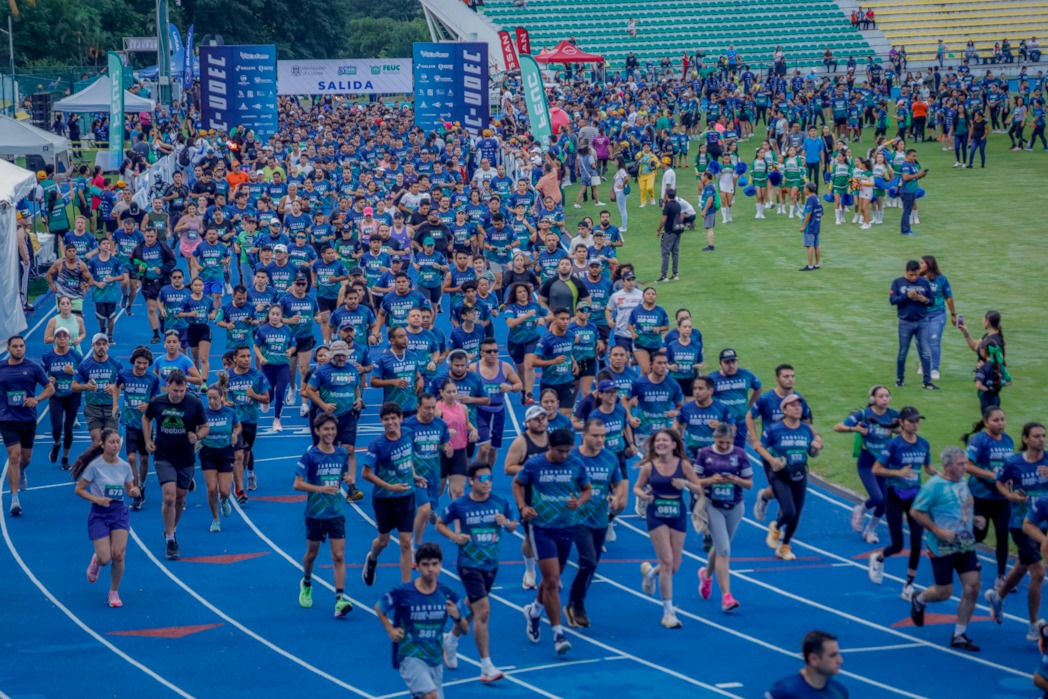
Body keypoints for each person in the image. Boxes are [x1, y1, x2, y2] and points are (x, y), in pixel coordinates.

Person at [514, 427, 592, 654]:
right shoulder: (535, 464)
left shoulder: (576, 464)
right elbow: (517, 483)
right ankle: (558, 634)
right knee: (552, 580)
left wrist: (579, 502)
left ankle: (534, 612)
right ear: (550, 447)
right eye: (560, 451)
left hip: (567, 526)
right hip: (541, 527)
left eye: (568, 451)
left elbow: (587, 490)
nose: (564, 455)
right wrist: (523, 506)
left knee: (552, 579)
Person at [437, 462, 516, 682]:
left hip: (491, 564)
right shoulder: (460, 504)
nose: (488, 482)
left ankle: (451, 640)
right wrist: (454, 536)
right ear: (471, 481)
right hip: (469, 564)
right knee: (483, 612)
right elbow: (440, 524)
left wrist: (506, 523)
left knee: (472, 607)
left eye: (490, 478)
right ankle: (486, 666)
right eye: (483, 479)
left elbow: (513, 525)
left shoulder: (500, 502)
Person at [908, 446, 982, 652]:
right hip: (942, 546)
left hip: (964, 542)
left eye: (965, 463)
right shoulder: (934, 486)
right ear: (947, 466)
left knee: (973, 586)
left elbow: (962, 507)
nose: (965, 467)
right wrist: (937, 530)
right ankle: (919, 599)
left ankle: (959, 634)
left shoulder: (963, 482)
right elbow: (916, 511)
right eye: (960, 464)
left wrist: (975, 518)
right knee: (944, 593)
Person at [376, 542, 469, 699]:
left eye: (434, 564)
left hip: (435, 658)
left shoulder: (447, 593)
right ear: (417, 566)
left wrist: (457, 617)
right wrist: (390, 630)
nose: (430, 569)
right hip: (410, 655)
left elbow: (465, 629)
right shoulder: (404, 592)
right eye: (425, 564)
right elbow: (380, 607)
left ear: (440, 565)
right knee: (430, 695)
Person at [984, 422, 1048, 641]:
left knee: (1022, 565)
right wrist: (1010, 496)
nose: (1042, 439)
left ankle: (998, 596)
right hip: (1022, 524)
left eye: (1043, 435)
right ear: (1025, 439)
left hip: (1044, 522)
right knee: (1038, 572)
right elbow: (999, 482)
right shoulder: (1013, 462)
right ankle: (1033, 625)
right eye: (1037, 436)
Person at [635, 429, 705, 628]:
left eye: (665, 440)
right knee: (666, 561)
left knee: (673, 566)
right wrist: (643, 495)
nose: (661, 443)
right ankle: (668, 612)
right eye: (658, 441)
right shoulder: (649, 467)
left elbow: (699, 489)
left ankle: (650, 573)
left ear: (674, 444)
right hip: (656, 514)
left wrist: (686, 483)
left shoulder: (683, 465)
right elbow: (637, 487)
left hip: (677, 514)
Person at [868, 406, 934, 600]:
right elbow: (876, 469)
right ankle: (879, 558)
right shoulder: (894, 445)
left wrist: (941, 474)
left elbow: (927, 467)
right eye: (911, 421)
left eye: (917, 421)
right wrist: (898, 472)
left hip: (916, 499)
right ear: (902, 422)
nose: (915, 424)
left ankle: (908, 585)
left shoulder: (924, 444)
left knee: (916, 542)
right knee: (898, 544)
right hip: (895, 496)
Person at [565, 419, 626, 628]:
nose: (600, 440)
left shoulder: (609, 458)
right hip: (577, 517)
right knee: (588, 561)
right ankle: (577, 604)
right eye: (595, 435)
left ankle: (575, 602)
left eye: (603, 436)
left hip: (600, 519)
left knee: (592, 565)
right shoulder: (572, 457)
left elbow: (618, 484)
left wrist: (616, 497)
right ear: (584, 436)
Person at [143, 369, 208, 560]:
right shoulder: (157, 402)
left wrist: (197, 436)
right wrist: (148, 439)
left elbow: (205, 427)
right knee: (169, 496)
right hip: (163, 456)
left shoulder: (194, 404)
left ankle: (171, 528)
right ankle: (171, 539)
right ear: (167, 387)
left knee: (180, 498)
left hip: (186, 457)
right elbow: (146, 418)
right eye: (175, 391)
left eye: (182, 391)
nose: (179, 394)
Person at [295, 413, 354, 618]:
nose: (330, 433)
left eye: (332, 429)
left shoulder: (341, 454)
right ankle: (306, 582)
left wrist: (347, 478)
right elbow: (297, 484)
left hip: (336, 513)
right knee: (312, 554)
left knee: (338, 556)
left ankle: (339, 599)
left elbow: (343, 475)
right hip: (315, 513)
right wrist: (321, 489)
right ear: (317, 431)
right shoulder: (310, 456)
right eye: (326, 429)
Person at [72, 428, 139, 608]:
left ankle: (114, 591)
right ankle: (97, 560)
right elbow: (79, 489)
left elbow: (129, 490)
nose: (116, 445)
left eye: (118, 442)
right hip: (99, 513)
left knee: (118, 555)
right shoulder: (95, 467)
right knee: (105, 559)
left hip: (118, 512)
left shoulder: (124, 466)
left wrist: (134, 491)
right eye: (112, 442)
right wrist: (97, 499)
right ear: (102, 444)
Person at [362, 402, 427, 587]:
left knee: (406, 542)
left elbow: (407, 458)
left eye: (393, 418)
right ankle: (372, 558)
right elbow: (366, 474)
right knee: (383, 541)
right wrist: (390, 487)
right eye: (386, 419)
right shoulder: (377, 445)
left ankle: (406, 587)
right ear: (381, 421)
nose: (390, 422)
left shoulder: (407, 434)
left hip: (406, 495)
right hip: (384, 498)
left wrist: (414, 476)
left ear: (400, 418)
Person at [755, 394, 823, 561]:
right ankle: (776, 527)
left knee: (797, 513)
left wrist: (816, 448)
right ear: (784, 410)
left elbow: (812, 453)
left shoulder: (806, 430)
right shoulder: (774, 429)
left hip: (800, 474)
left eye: (799, 405)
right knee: (789, 511)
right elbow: (759, 447)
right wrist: (771, 460)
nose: (797, 408)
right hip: (780, 475)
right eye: (793, 405)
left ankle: (785, 546)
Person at [695, 423, 753, 611]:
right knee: (725, 550)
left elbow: (749, 484)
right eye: (720, 442)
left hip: (735, 505)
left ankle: (706, 575)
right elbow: (694, 482)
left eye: (727, 442)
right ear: (714, 439)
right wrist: (711, 480)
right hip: (713, 505)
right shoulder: (705, 454)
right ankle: (726, 597)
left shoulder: (740, 454)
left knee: (721, 546)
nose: (724, 446)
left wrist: (735, 479)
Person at [835, 385, 900, 543]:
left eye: (887, 396)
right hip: (867, 461)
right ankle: (860, 509)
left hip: (883, 462)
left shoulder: (893, 414)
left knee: (884, 501)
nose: (885, 399)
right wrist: (855, 429)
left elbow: (903, 428)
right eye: (881, 396)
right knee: (877, 497)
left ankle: (870, 530)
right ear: (873, 399)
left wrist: (895, 427)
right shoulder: (864, 414)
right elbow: (838, 427)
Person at [302, 340, 365, 501]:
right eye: (338, 355)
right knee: (326, 451)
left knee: (349, 449)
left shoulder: (352, 369)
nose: (341, 358)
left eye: (343, 355)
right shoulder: (322, 371)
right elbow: (309, 390)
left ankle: (352, 488)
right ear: (332, 355)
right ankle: (322, 484)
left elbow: (356, 388)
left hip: (348, 415)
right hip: (327, 418)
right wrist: (323, 405)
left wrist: (359, 400)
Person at [1, 335, 55, 516]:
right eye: (15, 346)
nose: (18, 349)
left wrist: (37, 399)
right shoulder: (1, 368)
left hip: (27, 418)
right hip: (7, 419)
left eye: (21, 346)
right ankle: (14, 499)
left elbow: (50, 388)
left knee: (26, 458)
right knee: (14, 456)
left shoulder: (33, 367)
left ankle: (22, 471)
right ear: (8, 348)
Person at [962, 407, 1014, 587]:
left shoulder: (1008, 440)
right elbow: (968, 466)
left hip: (1002, 497)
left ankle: (1001, 576)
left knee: (1002, 534)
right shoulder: (979, 440)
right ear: (986, 422)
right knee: (979, 533)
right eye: (996, 420)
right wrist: (992, 475)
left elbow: (1008, 466)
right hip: (980, 496)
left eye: (1002, 419)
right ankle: (961, 553)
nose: (1000, 423)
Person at [504, 404, 551, 590]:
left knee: (551, 536)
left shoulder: (552, 440)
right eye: (536, 419)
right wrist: (532, 470)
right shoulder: (521, 442)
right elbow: (508, 468)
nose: (541, 422)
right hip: (528, 495)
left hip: (550, 496)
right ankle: (530, 570)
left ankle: (551, 574)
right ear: (527, 422)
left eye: (543, 418)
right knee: (531, 538)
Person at [114, 346, 160, 511]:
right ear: (133, 361)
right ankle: (136, 493)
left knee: (144, 459)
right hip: (129, 422)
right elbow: (116, 387)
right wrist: (115, 404)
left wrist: (149, 405)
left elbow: (156, 399)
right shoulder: (124, 374)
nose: (141, 366)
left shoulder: (152, 379)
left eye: (145, 363)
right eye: (138, 363)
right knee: (132, 459)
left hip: (146, 424)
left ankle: (142, 485)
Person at [199, 378, 240, 533]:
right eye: (209, 398)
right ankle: (216, 519)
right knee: (211, 489)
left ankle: (223, 501)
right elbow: (196, 428)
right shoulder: (203, 413)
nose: (212, 401)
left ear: (222, 397)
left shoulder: (229, 412)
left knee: (224, 491)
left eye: (215, 398)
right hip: (208, 453)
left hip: (225, 453)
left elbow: (238, 426)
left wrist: (235, 434)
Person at [41, 327, 84, 470]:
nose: (62, 338)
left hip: (73, 395)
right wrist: (48, 380)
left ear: (69, 339)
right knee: (57, 426)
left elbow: (84, 376)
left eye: (65, 336)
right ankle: (56, 443)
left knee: (69, 426)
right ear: (54, 339)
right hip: (56, 395)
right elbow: (41, 375)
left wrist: (74, 373)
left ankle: (65, 457)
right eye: (58, 336)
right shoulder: (48, 356)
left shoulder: (76, 356)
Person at [890, 260, 937, 389]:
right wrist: (906, 296)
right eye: (911, 275)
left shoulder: (924, 282)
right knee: (903, 352)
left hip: (922, 321)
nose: (914, 278)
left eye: (916, 274)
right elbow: (893, 300)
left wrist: (924, 299)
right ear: (906, 272)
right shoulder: (898, 282)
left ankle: (927, 382)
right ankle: (900, 379)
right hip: (905, 322)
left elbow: (932, 301)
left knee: (925, 352)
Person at [71, 334, 122, 447]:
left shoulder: (116, 363)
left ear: (108, 346)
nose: (101, 347)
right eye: (98, 344)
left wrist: (115, 386)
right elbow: (73, 386)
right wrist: (86, 386)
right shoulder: (85, 365)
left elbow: (125, 384)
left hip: (110, 408)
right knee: (97, 443)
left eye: (104, 344)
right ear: (92, 346)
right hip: (92, 409)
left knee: (110, 442)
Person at [765, 630, 848, 698]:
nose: (840, 660)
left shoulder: (839, 692)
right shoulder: (785, 692)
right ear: (814, 659)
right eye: (832, 655)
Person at [253, 304, 296, 432]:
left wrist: (290, 351)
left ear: (281, 316)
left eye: (278, 314)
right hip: (268, 366)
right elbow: (256, 346)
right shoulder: (262, 330)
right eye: (273, 314)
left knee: (280, 391)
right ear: (269, 315)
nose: (275, 317)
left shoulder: (287, 330)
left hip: (283, 366)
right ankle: (265, 401)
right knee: (269, 394)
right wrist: (261, 357)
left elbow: (293, 345)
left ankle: (277, 419)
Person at [919, 255, 956, 381]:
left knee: (934, 340)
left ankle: (934, 369)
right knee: (921, 341)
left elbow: (949, 297)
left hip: (937, 314)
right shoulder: (917, 279)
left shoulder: (941, 279)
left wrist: (953, 315)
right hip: (921, 315)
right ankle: (924, 364)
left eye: (922, 263)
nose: (919, 265)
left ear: (929, 265)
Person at [898, 149, 927, 236]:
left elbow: (914, 178)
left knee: (908, 210)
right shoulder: (905, 165)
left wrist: (921, 175)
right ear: (907, 156)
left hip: (912, 190)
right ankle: (905, 230)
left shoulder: (913, 165)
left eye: (916, 156)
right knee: (907, 211)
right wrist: (918, 174)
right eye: (913, 156)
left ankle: (906, 229)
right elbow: (906, 177)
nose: (915, 158)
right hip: (907, 191)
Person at [655, 187, 683, 282]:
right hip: (677, 231)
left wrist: (658, 229)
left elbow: (663, 220)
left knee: (665, 253)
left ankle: (664, 276)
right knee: (675, 252)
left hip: (669, 231)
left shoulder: (667, 206)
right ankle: (675, 274)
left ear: (667, 196)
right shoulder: (678, 205)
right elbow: (680, 216)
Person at [798, 183, 823, 271]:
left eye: (804, 188)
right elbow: (822, 212)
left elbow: (808, 213)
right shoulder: (817, 198)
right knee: (816, 245)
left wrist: (804, 226)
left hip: (810, 226)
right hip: (817, 225)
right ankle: (817, 264)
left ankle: (809, 266)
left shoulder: (810, 199)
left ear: (808, 189)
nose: (804, 189)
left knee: (810, 246)